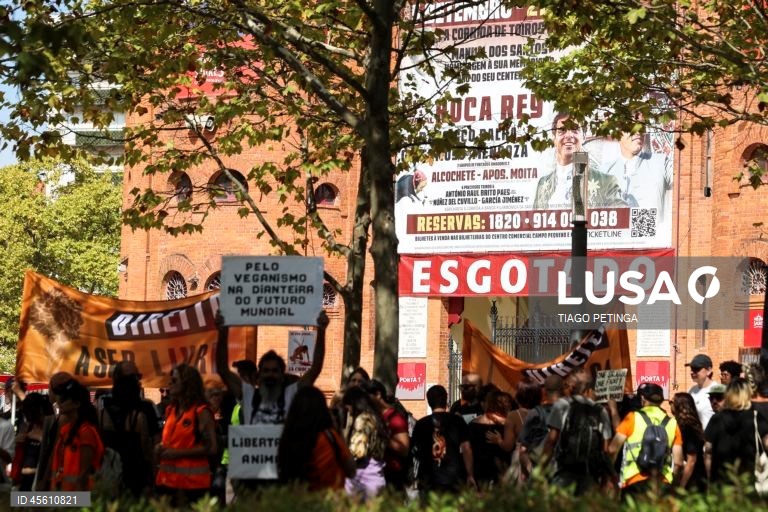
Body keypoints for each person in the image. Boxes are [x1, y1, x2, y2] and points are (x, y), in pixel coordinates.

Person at [216, 310, 328, 426]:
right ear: (259, 375)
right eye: (266, 371)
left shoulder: (291, 394)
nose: (270, 375)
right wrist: (222, 331)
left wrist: (321, 331)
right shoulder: (248, 395)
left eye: (275, 371)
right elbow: (223, 370)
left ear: (282, 376)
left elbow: (315, 369)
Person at [540, 368, 613, 496]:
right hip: (590, 475)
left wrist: (540, 470)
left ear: (572, 386)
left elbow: (551, 441)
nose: (564, 389)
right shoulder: (600, 410)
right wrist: (606, 478)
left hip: (564, 473)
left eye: (566, 385)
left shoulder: (562, 405)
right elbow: (606, 450)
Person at [533, 112, 627, 210]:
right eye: (562, 130)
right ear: (554, 138)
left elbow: (623, 217)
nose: (569, 135)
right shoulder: (543, 184)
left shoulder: (606, 182)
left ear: (584, 137)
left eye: (575, 130)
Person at [155, 363, 218, 507]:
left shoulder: (201, 412)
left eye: (174, 380)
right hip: (166, 484)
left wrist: (177, 453)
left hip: (193, 487)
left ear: (187, 384)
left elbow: (212, 448)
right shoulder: (170, 410)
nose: (169, 383)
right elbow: (173, 443)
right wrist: (159, 447)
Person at [608, 383, 683, 497]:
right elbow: (678, 463)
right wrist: (673, 485)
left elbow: (612, 450)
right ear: (661, 400)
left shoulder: (632, 417)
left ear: (642, 398)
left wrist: (610, 476)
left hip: (634, 482)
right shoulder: (672, 423)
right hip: (662, 484)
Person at [277, 386, 355, 490]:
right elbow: (351, 470)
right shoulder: (329, 436)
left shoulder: (287, 438)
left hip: (298, 500)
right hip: (329, 500)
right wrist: (339, 432)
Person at [98, 360, 157, 497]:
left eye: (138, 376)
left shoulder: (147, 407)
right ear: (118, 378)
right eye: (133, 377)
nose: (138, 381)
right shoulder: (102, 406)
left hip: (135, 477)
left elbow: (154, 445)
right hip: (112, 476)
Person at [411, 385, 474, 498]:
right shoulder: (458, 421)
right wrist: (470, 474)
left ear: (429, 402)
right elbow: (466, 449)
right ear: (446, 400)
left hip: (428, 477)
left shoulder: (421, 424)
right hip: (454, 477)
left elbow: (415, 451)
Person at [704, 378, 768, 487]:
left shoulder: (716, 419)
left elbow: (708, 451)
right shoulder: (755, 418)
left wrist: (709, 479)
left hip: (721, 483)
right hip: (749, 482)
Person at [601, 125, 673, 221]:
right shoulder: (604, 171)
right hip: (615, 233)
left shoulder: (661, 162)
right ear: (618, 134)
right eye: (632, 127)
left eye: (641, 128)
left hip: (653, 233)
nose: (638, 132)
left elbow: (684, 186)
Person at [49, 379, 104, 492]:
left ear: (77, 404)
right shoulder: (65, 430)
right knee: (20, 500)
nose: (59, 402)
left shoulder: (86, 432)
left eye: (64, 399)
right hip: (63, 495)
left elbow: (84, 472)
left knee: (19, 500)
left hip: (77, 499)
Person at [342, 386, 387, 500]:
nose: (347, 410)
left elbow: (358, 451)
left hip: (362, 479)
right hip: (377, 475)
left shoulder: (362, 419)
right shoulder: (375, 417)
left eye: (347, 406)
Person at [366, 379, 410, 491]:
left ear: (378, 394)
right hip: (376, 475)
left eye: (368, 397)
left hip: (393, 476)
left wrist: (381, 436)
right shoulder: (375, 417)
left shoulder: (395, 417)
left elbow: (404, 449)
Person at [469, 389, 512, 488]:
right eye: (506, 402)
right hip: (502, 468)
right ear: (499, 404)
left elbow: (469, 448)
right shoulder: (508, 423)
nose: (508, 404)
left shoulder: (474, 423)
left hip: (479, 467)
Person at [11, 393, 54, 491]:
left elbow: (53, 451)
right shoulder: (29, 426)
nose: (28, 416)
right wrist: (17, 440)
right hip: (23, 481)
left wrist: (39, 438)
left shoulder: (51, 427)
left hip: (40, 481)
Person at [670, 392, 707, 491]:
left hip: (693, 480)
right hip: (694, 477)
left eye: (671, 402)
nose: (670, 404)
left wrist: (681, 486)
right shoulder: (684, 426)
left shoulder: (688, 428)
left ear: (680, 406)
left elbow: (691, 460)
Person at [687, 354, 716, 429]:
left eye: (696, 369)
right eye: (691, 369)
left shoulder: (717, 390)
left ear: (709, 370)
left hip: (711, 439)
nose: (692, 372)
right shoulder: (691, 391)